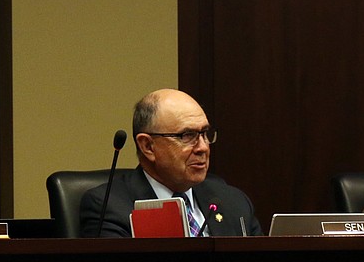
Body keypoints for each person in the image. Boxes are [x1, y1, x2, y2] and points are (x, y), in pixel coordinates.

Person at [79, 88, 261, 238]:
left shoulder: (233, 201)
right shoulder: (109, 206)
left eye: (204, 134)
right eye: (187, 136)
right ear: (148, 146)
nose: (203, 147)